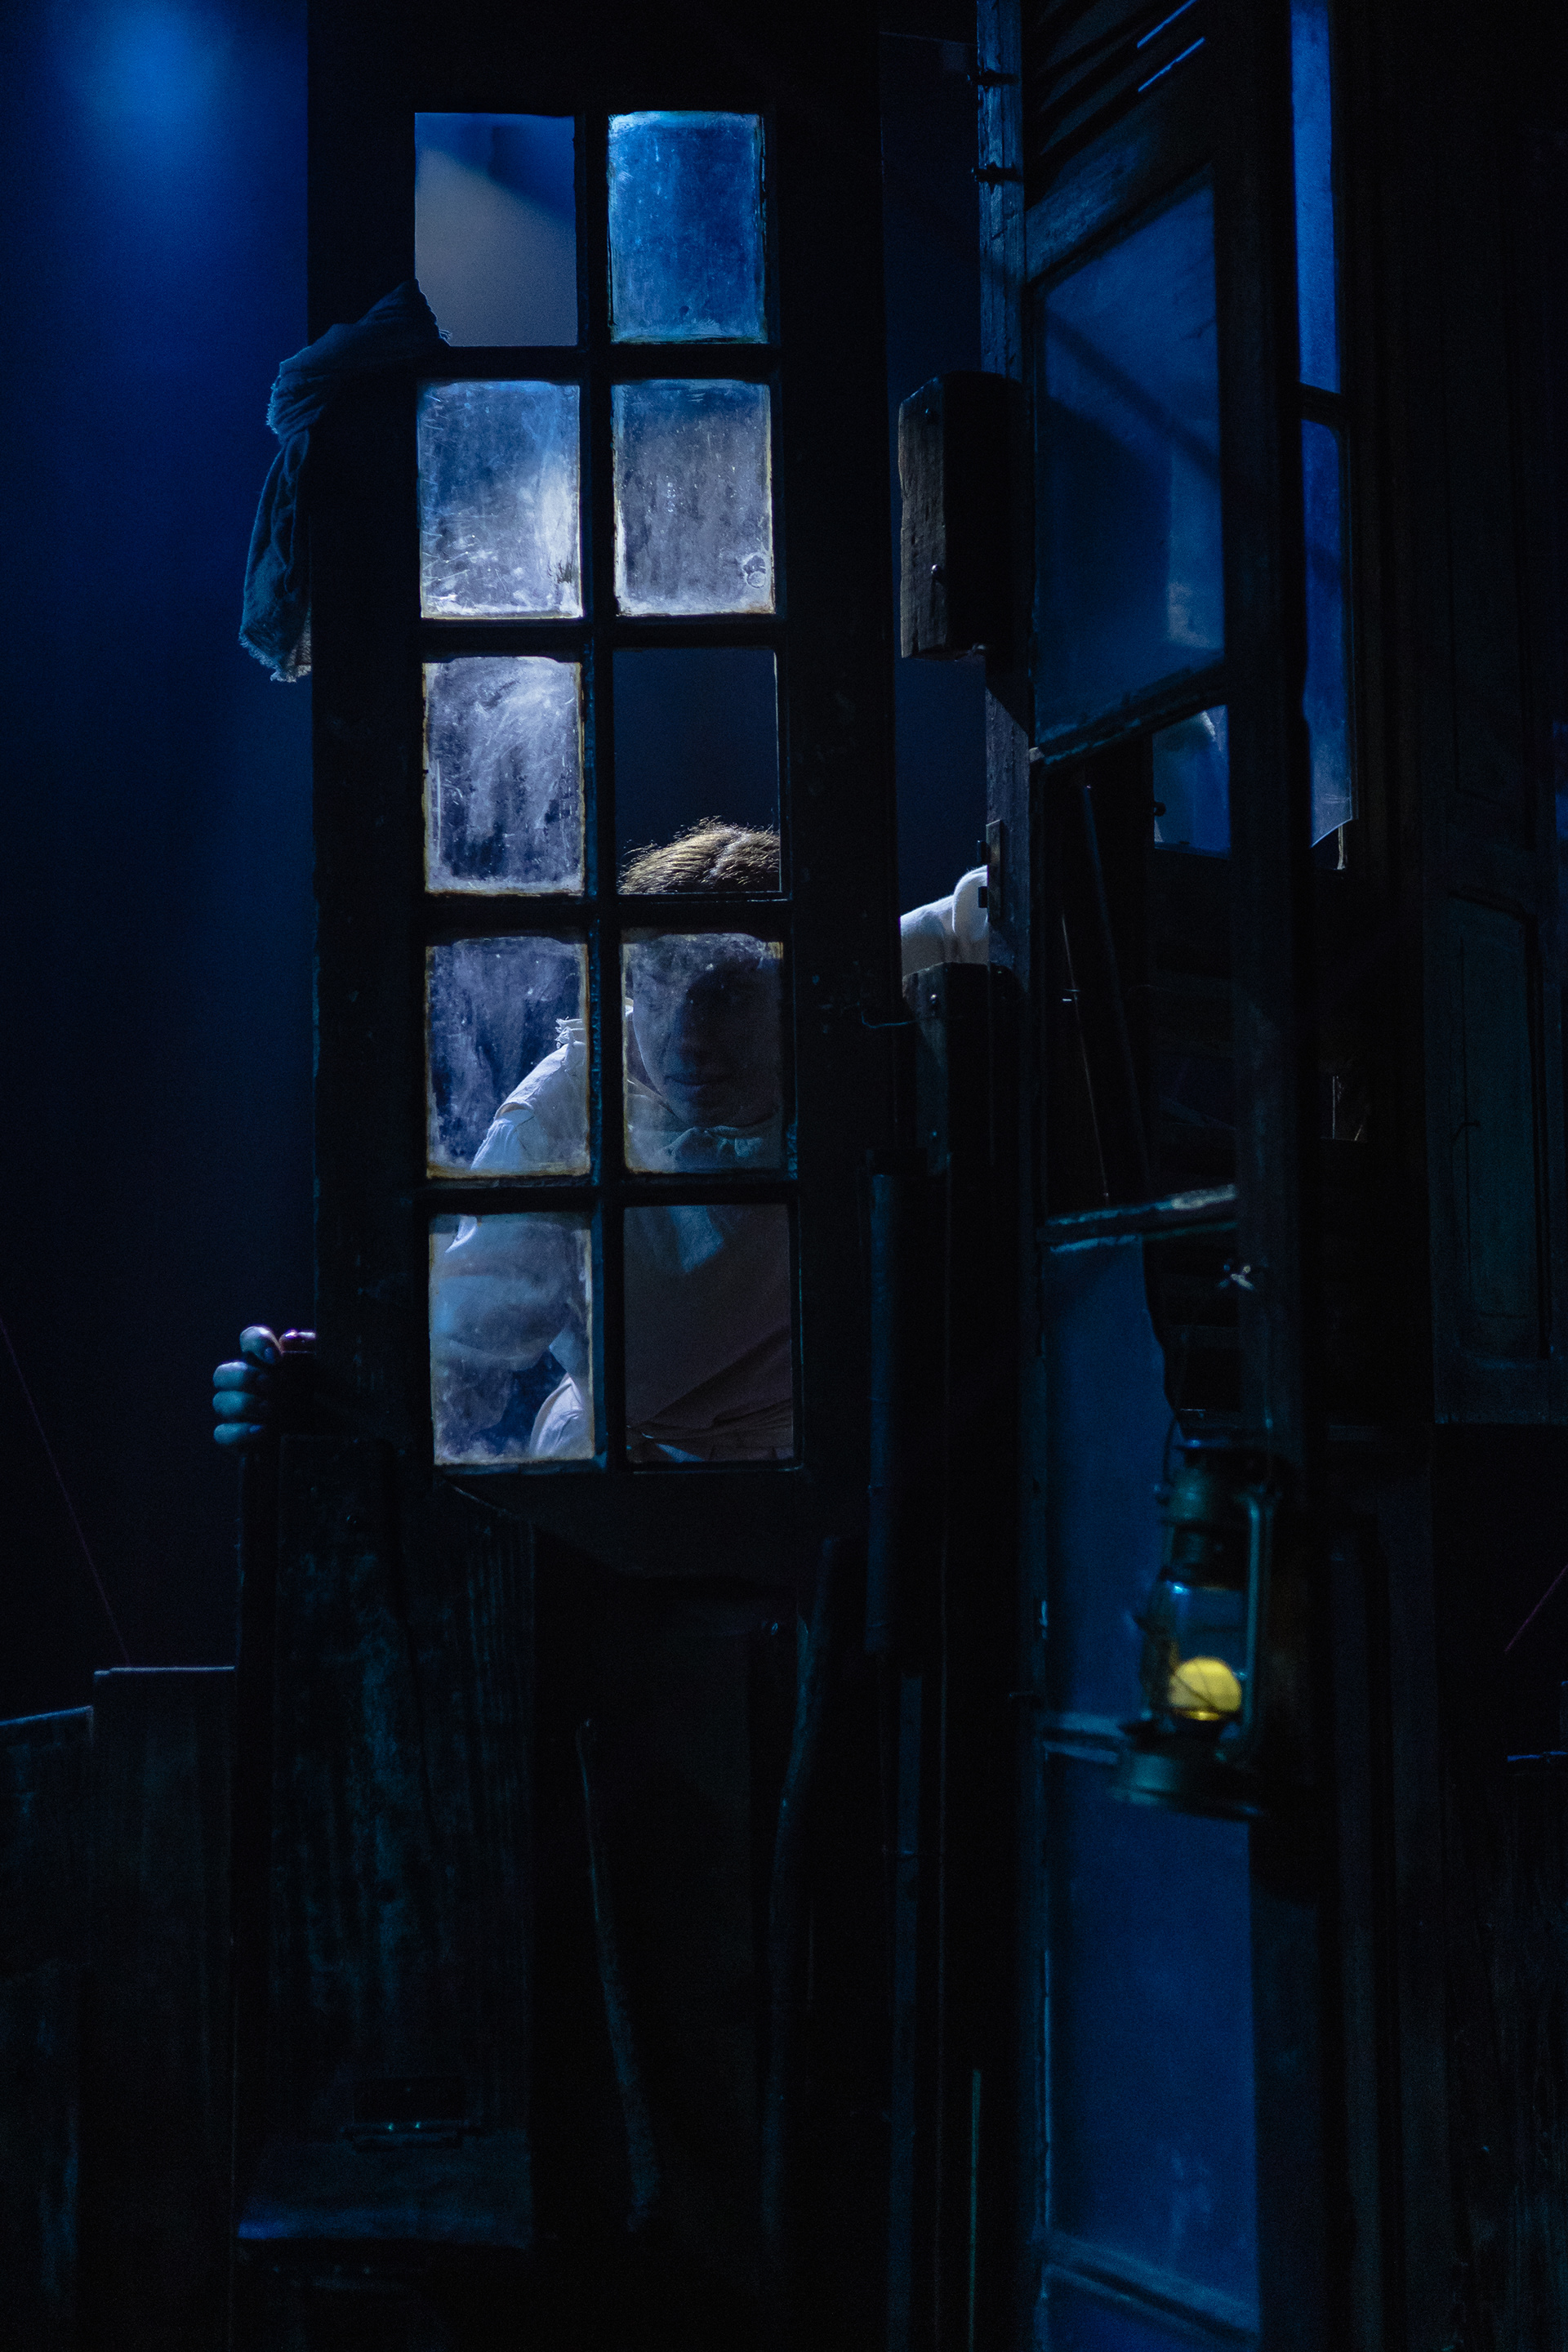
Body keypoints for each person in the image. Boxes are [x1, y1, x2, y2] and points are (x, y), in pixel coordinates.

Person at [215, 821, 795, 1463]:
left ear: (792, 991)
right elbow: (467, 1350)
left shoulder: (845, 1056)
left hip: (829, 1457)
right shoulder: (565, 1112)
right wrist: (332, 1390)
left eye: (726, 995)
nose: (688, 1036)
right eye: (661, 985)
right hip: (630, 1477)